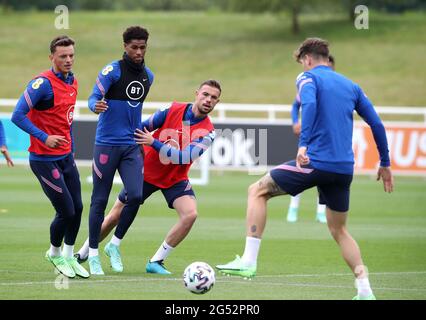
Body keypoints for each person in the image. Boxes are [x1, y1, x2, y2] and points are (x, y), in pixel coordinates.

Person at [216, 38, 394, 300]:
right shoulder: (352, 86)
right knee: (339, 230)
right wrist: (386, 162)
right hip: (343, 169)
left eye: (301, 62)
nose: (302, 66)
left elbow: (307, 105)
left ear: (308, 59)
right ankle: (365, 289)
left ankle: (248, 261)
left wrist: (303, 144)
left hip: (315, 162)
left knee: (257, 190)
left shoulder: (307, 78)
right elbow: (376, 123)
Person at [76, 80, 220, 275]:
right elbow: (141, 127)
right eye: (205, 94)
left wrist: (153, 142)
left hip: (175, 178)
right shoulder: (172, 109)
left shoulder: (209, 132)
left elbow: (184, 157)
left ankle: (156, 261)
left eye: (213, 98)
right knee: (114, 216)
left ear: (217, 102)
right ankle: (83, 254)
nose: (208, 100)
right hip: (146, 172)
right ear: (196, 93)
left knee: (190, 214)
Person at [11, 35, 88, 278]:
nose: (68, 60)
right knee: (66, 210)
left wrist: (71, 148)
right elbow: (17, 115)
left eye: (71, 55)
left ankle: (68, 255)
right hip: (43, 159)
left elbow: (66, 121)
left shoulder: (73, 82)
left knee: (78, 207)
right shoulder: (41, 84)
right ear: (51, 57)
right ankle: (54, 253)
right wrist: (44, 137)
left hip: (65, 157)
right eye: (63, 56)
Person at [87, 26, 154, 275]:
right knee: (100, 200)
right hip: (106, 144)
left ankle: (114, 245)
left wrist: (140, 139)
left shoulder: (149, 76)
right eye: (134, 47)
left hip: (131, 146)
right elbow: (92, 97)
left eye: (142, 47)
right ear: (124, 46)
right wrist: (96, 105)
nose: (138, 52)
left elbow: (134, 108)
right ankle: (93, 253)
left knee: (136, 195)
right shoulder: (111, 71)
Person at [287, 55, 335, 224]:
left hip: (326, 137)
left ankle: (321, 210)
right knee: (300, 169)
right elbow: (296, 105)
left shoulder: (337, 87)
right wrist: (295, 122)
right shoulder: (310, 84)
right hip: (309, 135)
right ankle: (293, 207)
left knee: (323, 172)